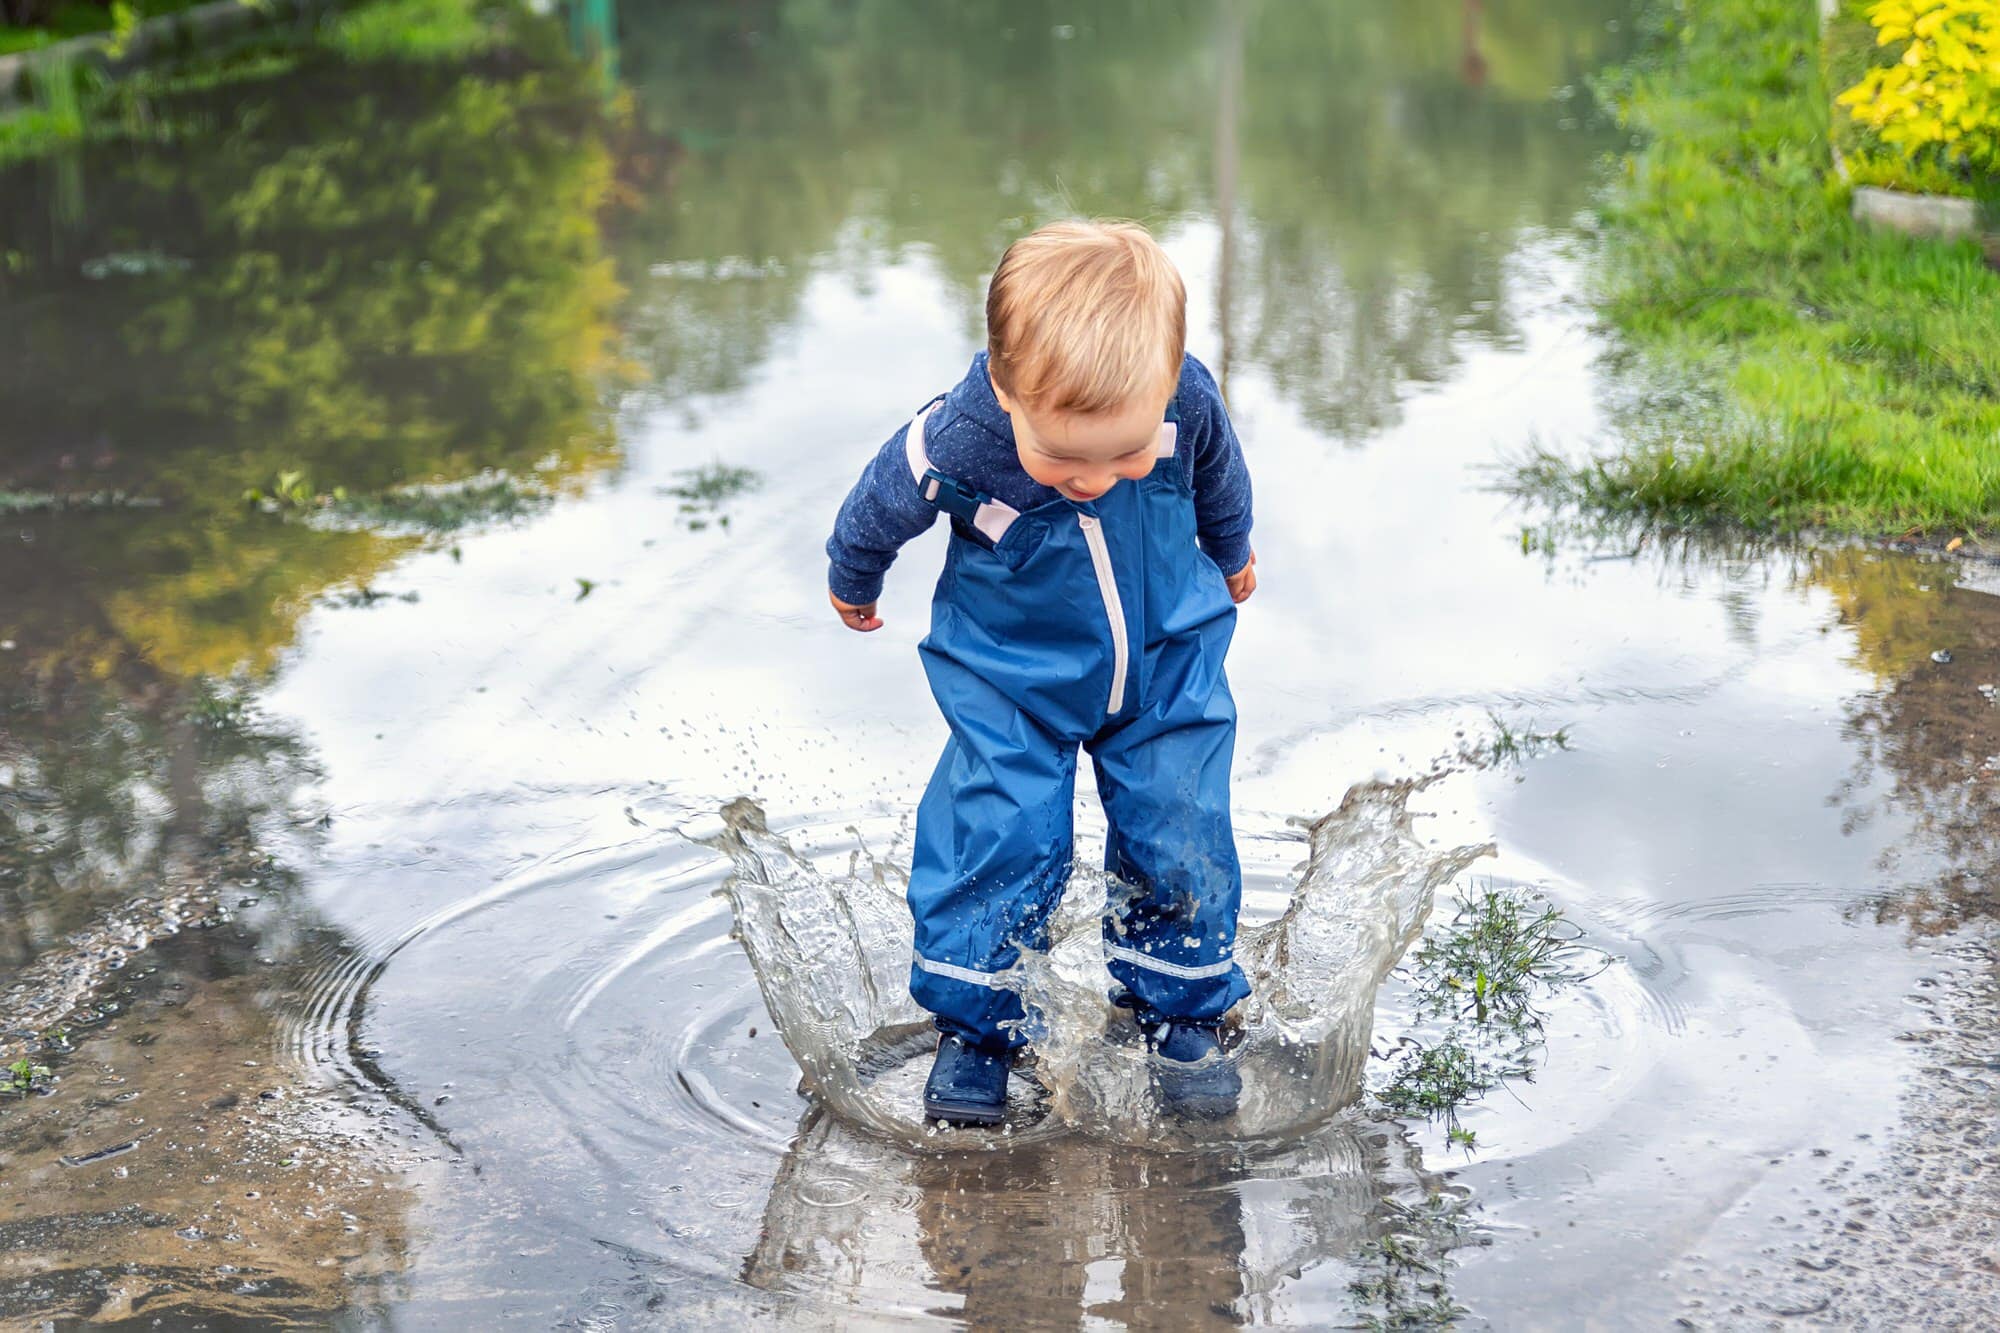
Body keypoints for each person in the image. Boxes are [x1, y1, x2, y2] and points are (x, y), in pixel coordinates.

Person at [825, 220, 1258, 1125]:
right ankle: (978, 1028)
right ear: (1010, 390)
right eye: (1063, 457)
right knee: (1001, 829)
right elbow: (878, 502)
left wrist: (1232, 549)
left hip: (1167, 658)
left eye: (1126, 453)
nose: (1097, 477)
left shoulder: (1183, 398)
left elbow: (1220, 475)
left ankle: (1177, 1007)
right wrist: (853, 576)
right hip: (1010, 676)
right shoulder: (961, 439)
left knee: (1181, 823)